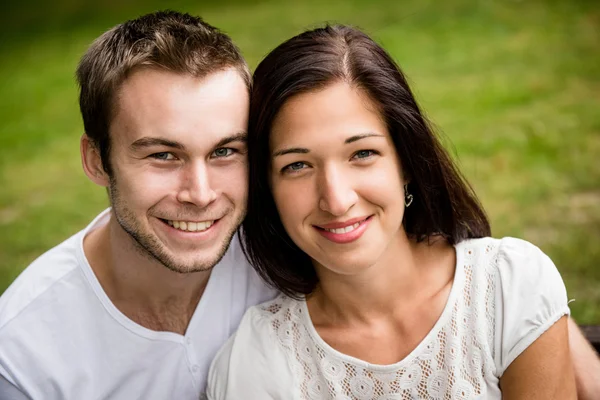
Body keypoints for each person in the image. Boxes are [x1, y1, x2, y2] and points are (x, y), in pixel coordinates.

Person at [207, 25, 579, 399]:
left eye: (362, 154)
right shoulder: (258, 358)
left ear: (406, 163)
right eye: (298, 165)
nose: (336, 201)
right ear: (268, 188)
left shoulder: (506, 288)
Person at [0, 11, 275, 399]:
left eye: (224, 151)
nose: (200, 194)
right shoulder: (22, 357)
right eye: (163, 155)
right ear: (97, 160)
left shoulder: (286, 256)